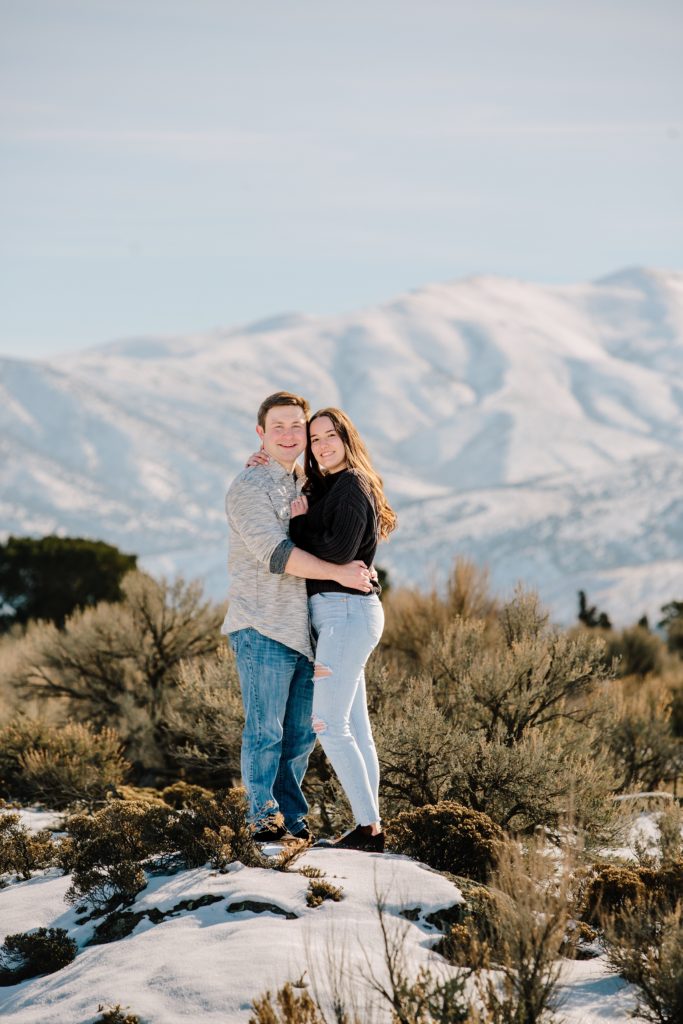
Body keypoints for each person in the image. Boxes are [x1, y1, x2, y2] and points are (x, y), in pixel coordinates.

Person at [223, 392, 373, 843]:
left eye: (297, 428)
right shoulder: (249, 487)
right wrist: (341, 574)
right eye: (278, 428)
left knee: (299, 740)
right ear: (261, 433)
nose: (289, 436)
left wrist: (358, 561)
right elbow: (278, 554)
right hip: (263, 625)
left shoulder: (306, 483)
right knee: (266, 731)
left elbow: (343, 528)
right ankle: (264, 823)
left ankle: (293, 821)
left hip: (308, 631)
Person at [288, 407, 397, 852]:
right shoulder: (331, 486)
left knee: (328, 724)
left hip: (346, 614)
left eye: (330, 435)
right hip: (343, 613)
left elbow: (338, 548)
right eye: (314, 439)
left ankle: (368, 828)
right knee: (355, 725)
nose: (322, 445)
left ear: (347, 438)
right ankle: (371, 825)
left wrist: (297, 524)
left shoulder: (352, 483)